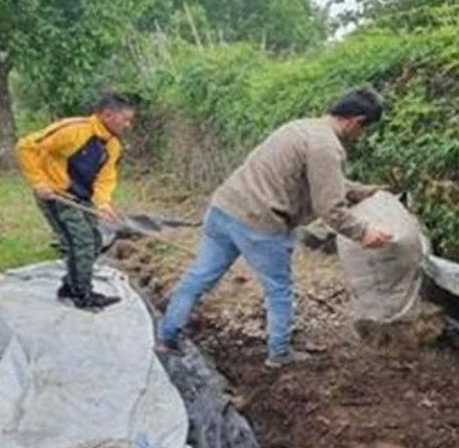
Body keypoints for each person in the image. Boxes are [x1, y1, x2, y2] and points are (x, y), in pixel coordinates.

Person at [156, 87, 392, 367]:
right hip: (259, 222)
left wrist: (363, 191)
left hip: (223, 209)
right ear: (357, 121)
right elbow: (330, 208)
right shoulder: (326, 146)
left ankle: (166, 338)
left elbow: (322, 181)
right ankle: (279, 354)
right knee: (278, 291)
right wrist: (364, 233)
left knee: (199, 278)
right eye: (363, 130)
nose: (359, 136)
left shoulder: (301, 128)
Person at [16, 93, 136, 310]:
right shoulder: (74, 130)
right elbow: (26, 147)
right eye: (125, 119)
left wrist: (103, 203)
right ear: (108, 115)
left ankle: (70, 286)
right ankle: (81, 295)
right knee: (80, 243)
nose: (129, 125)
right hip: (57, 196)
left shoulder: (112, 146)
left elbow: (105, 178)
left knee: (95, 242)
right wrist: (38, 182)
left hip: (82, 198)